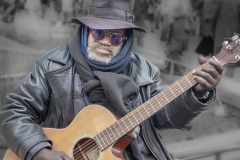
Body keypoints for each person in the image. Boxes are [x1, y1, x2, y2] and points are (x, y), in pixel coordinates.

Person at [0, 0, 223, 160]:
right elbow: (14, 111)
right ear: (85, 30)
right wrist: (39, 152)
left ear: (126, 41)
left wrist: (197, 94)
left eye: (115, 37)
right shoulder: (53, 64)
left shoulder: (143, 69)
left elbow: (166, 117)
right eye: (98, 33)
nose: (106, 42)